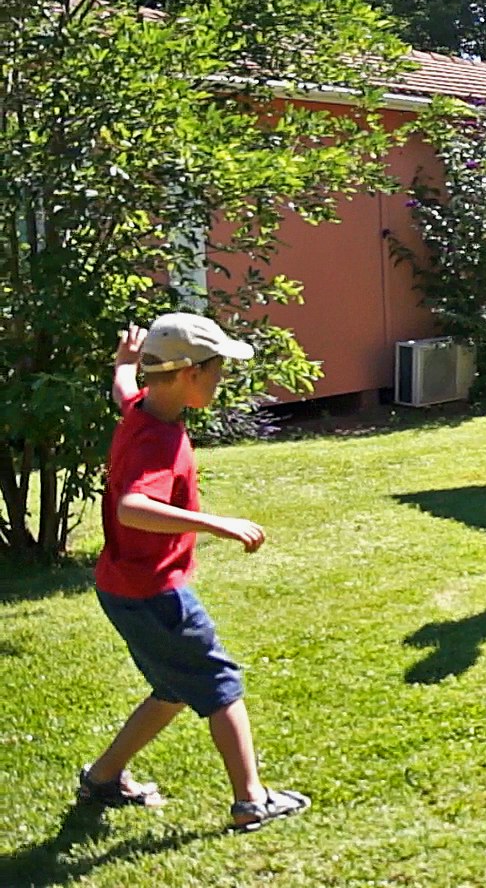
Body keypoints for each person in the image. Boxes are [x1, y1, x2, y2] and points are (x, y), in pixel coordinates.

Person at [78, 314, 310, 832]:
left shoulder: (142, 407)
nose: (220, 380)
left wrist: (123, 366)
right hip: (154, 592)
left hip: (123, 587)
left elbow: (123, 389)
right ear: (190, 374)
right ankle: (251, 801)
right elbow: (133, 507)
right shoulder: (156, 439)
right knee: (219, 681)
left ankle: (103, 777)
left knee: (172, 687)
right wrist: (216, 523)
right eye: (217, 371)